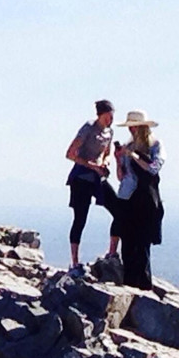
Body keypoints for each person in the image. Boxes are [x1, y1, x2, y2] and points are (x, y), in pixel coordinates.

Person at [112, 110, 165, 290]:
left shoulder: (155, 145)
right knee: (128, 244)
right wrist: (119, 160)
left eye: (134, 127)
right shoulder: (129, 145)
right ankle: (129, 282)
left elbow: (153, 168)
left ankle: (143, 285)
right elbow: (122, 177)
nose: (132, 130)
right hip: (128, 198)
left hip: (146, 200)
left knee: (142, 245)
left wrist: (134, 156)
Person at [65, 100, 114, 271]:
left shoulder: (110, 132)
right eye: (108, 116)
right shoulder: (88, 128)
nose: (111, 119)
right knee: (80, 218)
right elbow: (70, 154)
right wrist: (92, 165)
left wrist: (105, 163)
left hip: (97, 177)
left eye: (112, 116)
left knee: (118, 208)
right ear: (100, 115)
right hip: (81, 177)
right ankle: (75, 262)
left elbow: (106, 153)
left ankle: (112, 252)